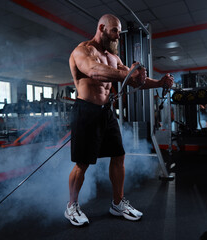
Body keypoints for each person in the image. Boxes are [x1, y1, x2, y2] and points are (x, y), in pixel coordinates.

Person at [66, 14, 174, 226]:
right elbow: (93, 71)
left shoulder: (114, 58)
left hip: (107, 111)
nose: (117, 36)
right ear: (102, 27)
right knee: (83, 163)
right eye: (114, 31)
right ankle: (72, 206)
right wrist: (126, 76)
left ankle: (117, 203)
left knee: (118, 156)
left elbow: (134, 80)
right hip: (86, 111)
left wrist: (160, 82)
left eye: (119, 32)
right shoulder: (83, 50)